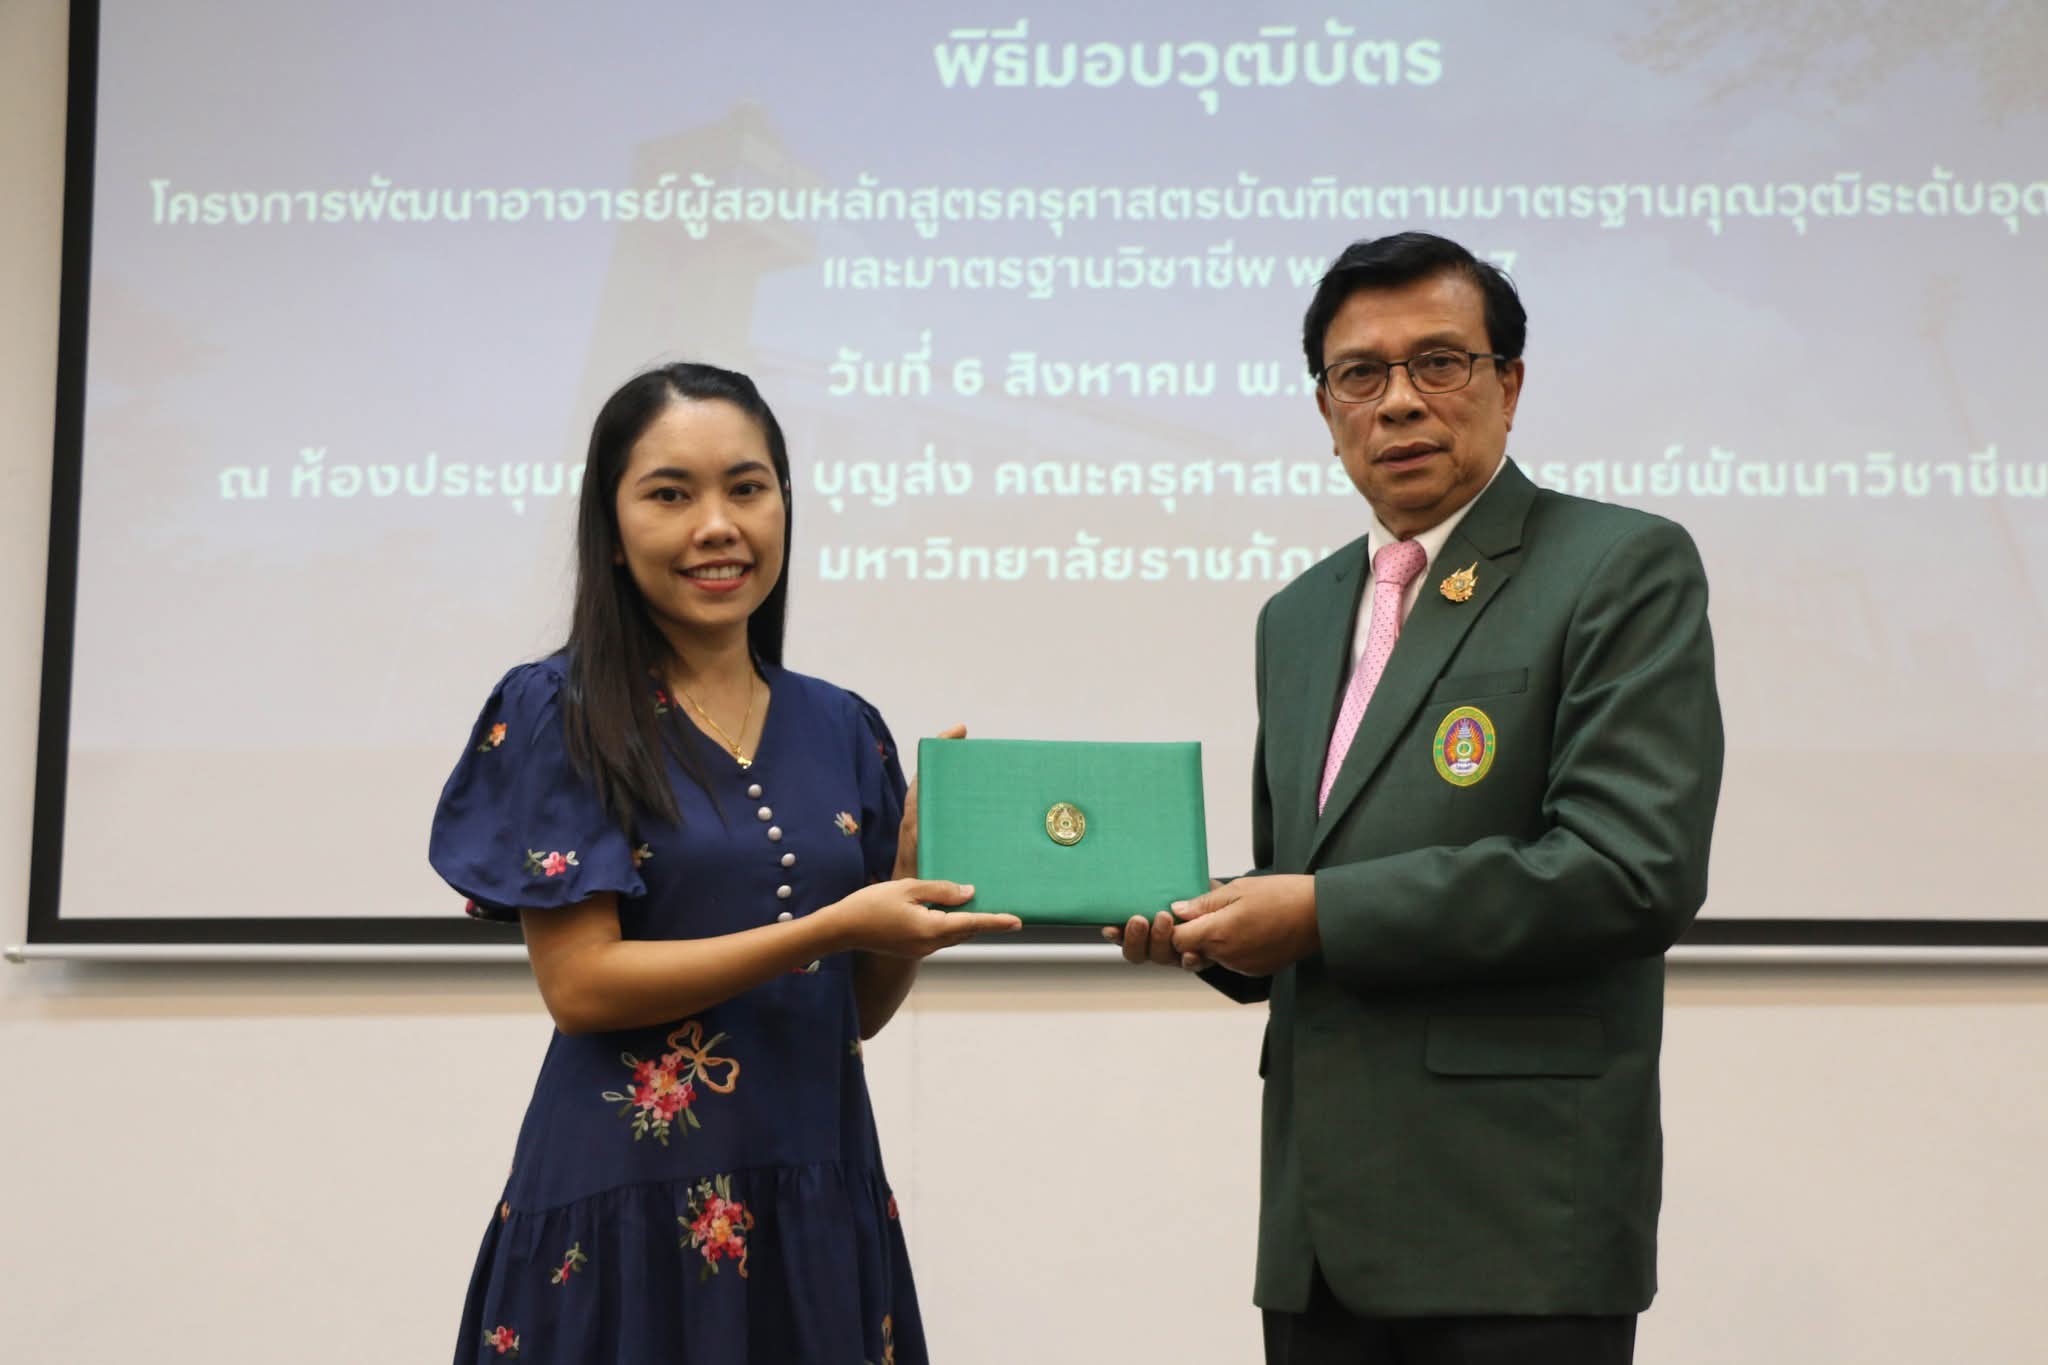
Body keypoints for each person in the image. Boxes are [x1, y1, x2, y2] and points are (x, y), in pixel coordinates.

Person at [1107, 232, 1724, 1364]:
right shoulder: (1297, 618)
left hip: (1515, 1224)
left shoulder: (1616, 565)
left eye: (1438, 362)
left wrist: (1315, 913)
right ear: (1325, 407)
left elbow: (1628, 871)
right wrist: (1206, 927)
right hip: (1318, 1234)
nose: (1397, 402)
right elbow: (1304, 881)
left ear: (1509, 384)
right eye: (1360, 374)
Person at [430, 362, 1019, 1364]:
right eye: (670, 495)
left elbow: (851, 1010)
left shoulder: (844, 726)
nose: (717, 525)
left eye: (746, 488)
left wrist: (904, 910)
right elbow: (579, 985)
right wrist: (832, 925)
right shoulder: (560, 709)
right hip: (627, 1212)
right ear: (611, 527)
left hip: (814, 1198)